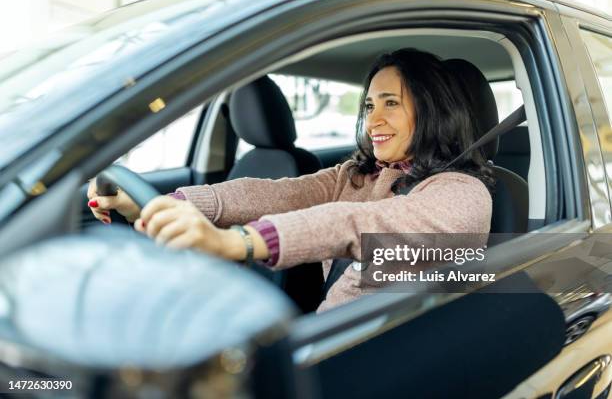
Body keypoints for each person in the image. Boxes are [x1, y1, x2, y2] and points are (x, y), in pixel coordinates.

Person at [87, 48, 494, 312]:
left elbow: (357, 225)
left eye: (391, 104)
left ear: (433, 112)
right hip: (322, 336)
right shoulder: (357, 175)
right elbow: (278, 193)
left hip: (381, 354)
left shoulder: (464, 196)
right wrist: (172, 203)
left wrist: (239, 242)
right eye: (369, 105)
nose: (373, 121)